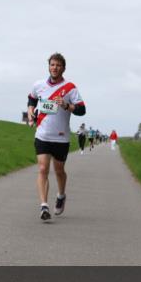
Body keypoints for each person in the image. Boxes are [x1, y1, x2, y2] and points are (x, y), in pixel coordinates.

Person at [27, 53, 85, 220]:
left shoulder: (70, 88)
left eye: (58, 65)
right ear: (48, 66)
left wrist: (67, 105)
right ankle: (44, 206)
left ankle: (61, 195)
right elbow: (31, 98)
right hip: (43, 135)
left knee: (59, 171)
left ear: (63, 68)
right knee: (43, 169)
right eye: (52, 65)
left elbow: (82, 110)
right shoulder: (39, 85)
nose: (55, 68)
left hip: (61, 137)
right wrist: (31, 110)